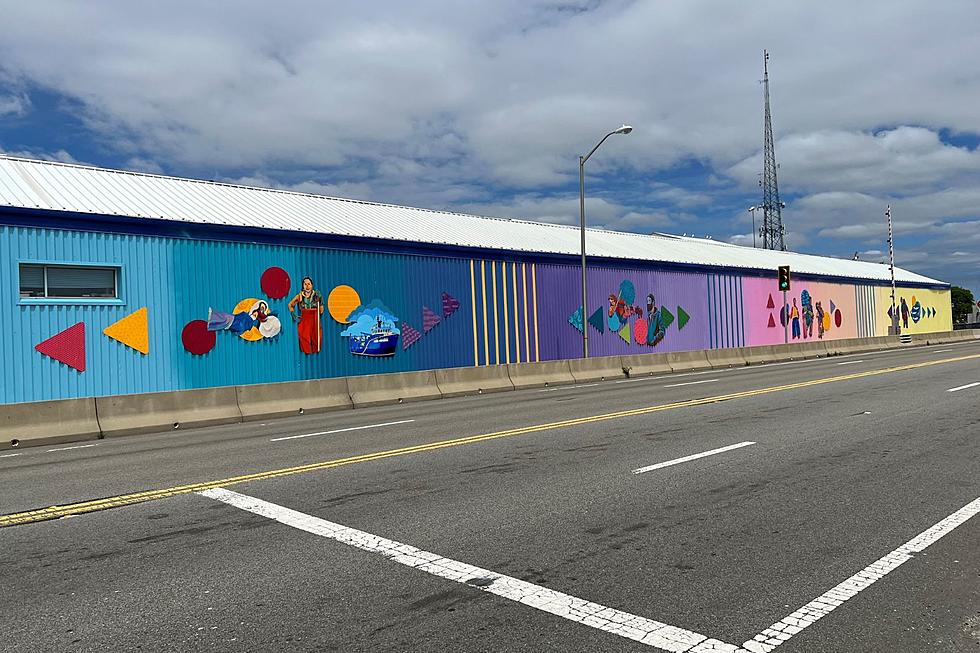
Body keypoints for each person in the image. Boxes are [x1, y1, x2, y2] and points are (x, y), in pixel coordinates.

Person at [288, 277, 324, 354]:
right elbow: (290, 304)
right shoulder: (300, 296)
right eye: (305, 284)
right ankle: (307, 351)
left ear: (312, 285)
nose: (307, 286)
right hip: (305, 318)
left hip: (315, 317)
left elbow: (321, 308)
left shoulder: (317, 294)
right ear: (302, 286)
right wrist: (294, 314)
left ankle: (316, 351)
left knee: (317, 335)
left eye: (309, 284)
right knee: (304, 335)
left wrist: (319, 313)